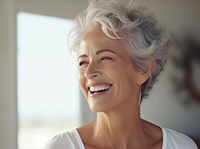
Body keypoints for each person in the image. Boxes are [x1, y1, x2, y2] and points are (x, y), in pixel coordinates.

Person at [45, 0, 198, 148]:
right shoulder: (61, 146)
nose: (89, 73)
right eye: (83, 62)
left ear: (143, 70)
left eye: (105, 58)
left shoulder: (181, 146)